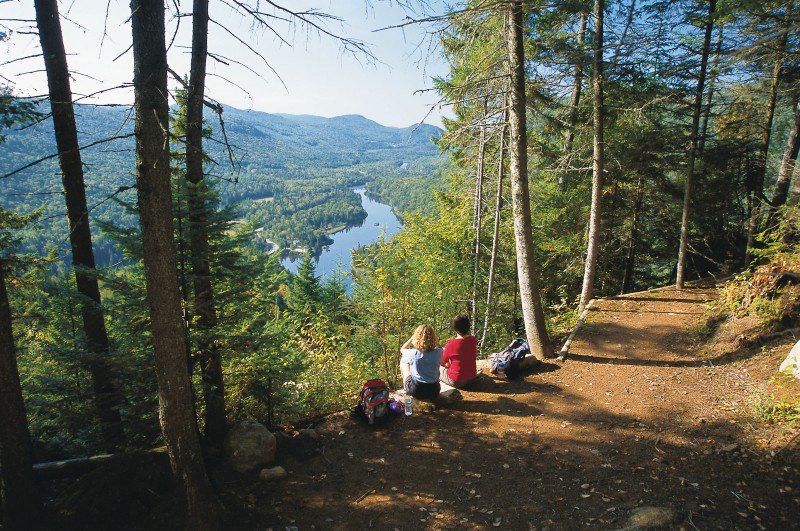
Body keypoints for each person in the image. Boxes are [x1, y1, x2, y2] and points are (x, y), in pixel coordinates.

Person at [400, 324, 443, 399]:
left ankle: (405, 387)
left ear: (416, 338)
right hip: (434, 391)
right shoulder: (438, 352)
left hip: (416, 390)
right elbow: (440, 347)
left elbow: (402, 349)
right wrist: (434, 341)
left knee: (404, 362)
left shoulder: (413, 353)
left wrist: (412, 338)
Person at [440, 315, 478, 388]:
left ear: (454, 328)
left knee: (438, 368)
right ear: (468, 327)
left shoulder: (451, 344)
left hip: (456, 381)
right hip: (472, 378)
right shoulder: (473, 340)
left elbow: (442, 362)